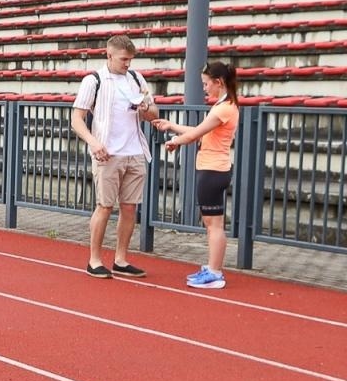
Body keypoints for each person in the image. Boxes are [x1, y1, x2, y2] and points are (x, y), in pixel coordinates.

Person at [71, 34, 160, 278]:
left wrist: (146, 109)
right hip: (108, 154)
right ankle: (94, 259)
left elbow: (153, 113)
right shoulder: (94, 80)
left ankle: (121, 259)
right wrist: (93, 142)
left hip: (134, 151)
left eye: (130, 59)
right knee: (105, 206)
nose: (128, 64)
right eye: (124, 59)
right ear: (109, 55)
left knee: (130, 208)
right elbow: (76, 119)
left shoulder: (136, 78)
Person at [153, 61, 240, 290]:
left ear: (218, 82)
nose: (204, 88)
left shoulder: (224, 108)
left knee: (214, 225)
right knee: (213, 223)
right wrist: (172, 127)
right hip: (213, 168)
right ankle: (213, 268)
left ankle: (215, 272)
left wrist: (174, 141)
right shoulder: (224, 106)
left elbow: (194, 136)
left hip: (213, 170)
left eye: (206, 84)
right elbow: (199, 132)